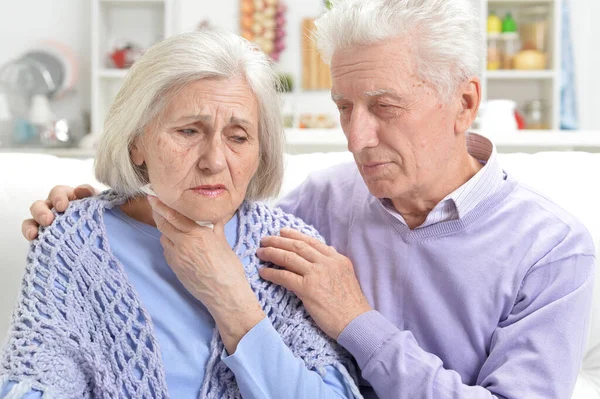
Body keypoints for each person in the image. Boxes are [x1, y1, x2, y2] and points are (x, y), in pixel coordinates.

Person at [21, 0, 596, 398]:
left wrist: (357, 322)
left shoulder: (552, 249)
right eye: (345, 107)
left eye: (385, 107)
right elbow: (211, 208)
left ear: (465, 103)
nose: (355, 138)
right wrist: (92, 207)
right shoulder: (322, 201)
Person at [1, 29, 362, 399]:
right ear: (136, 143)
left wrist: (233, 303)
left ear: (261, 151)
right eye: (189, 131)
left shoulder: (290, 251)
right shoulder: (73, 243)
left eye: (238, 137)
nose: (215, 161)